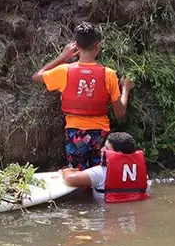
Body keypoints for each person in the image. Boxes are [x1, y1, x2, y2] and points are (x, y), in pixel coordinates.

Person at [32, 23, 134, 170]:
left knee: (77, 176)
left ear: (77, 47)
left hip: (75, 135)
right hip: (100, 136)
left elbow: (36, 76)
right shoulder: (109, 74)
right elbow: (120, 113)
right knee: (100, 176)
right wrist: (125, 89)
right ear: (98, 47)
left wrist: (62, 56)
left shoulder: (64, 71)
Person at [60, 131, 152, 204]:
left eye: (107, 148)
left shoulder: (101, 173)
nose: (101, 150)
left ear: (118, 154)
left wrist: (66, 170)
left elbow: (69, 179)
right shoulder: (142, 175)